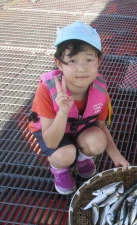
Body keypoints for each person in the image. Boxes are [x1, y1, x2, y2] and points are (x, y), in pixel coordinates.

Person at [28, 21, 129, 195]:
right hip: (54, 133)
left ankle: (83, 159)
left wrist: (116, 155)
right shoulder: (47, 89)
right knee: (65, 155)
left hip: (81, 129)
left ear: (99, 61)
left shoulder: (100, 88)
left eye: (89, 59)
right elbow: (51, 142)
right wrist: (63, 112)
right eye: (72, 61)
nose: (82, 68)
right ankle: (59, 169)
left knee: (98, 141)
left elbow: (101, 126)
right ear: (59, 63)